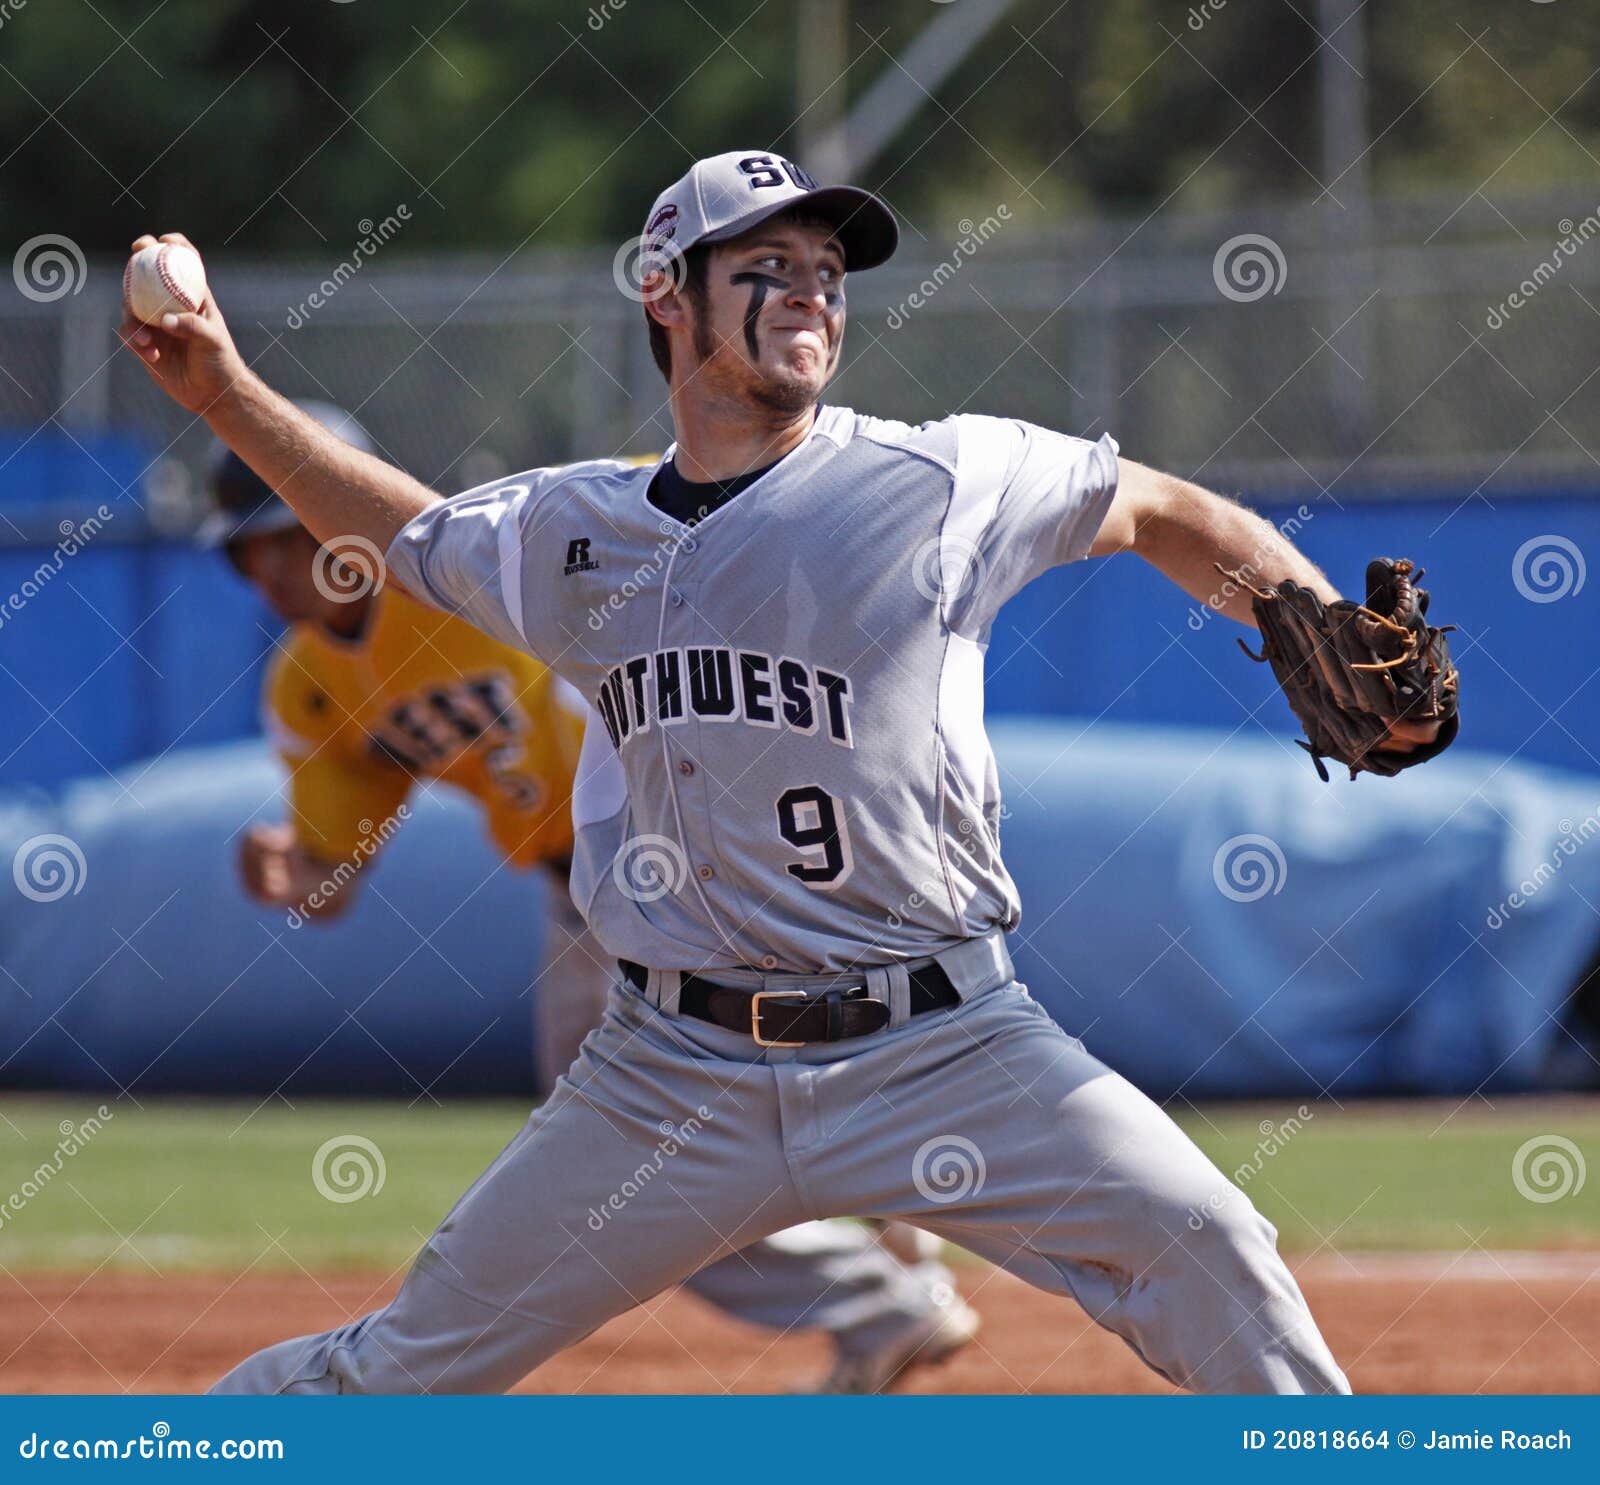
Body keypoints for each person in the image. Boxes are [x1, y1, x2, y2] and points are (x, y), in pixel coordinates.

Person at [120, 148, 1443, 1394]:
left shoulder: (937, 480)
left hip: (946, 1043)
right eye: (763, 261)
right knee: (391, 1374)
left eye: (826, 263)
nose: (810, 282)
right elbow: (402, 531)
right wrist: (220, 392)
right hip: (666, 1075)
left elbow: (1161, 509)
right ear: (667, 295)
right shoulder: (575, 534)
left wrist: (1305, 611)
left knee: (1211, 1243)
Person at [198, 398, 976, 1394]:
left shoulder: (468, 568)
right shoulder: (309, 684)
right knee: (655, 1150)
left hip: (698, 850)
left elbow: (659, 490)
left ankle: (885, 1287)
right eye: (247, 550)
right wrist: (290, 873)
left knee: (625, 1169)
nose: (267, 566)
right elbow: (332, 873)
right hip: (589, 904)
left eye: (281, 530)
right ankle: (883, 1266)